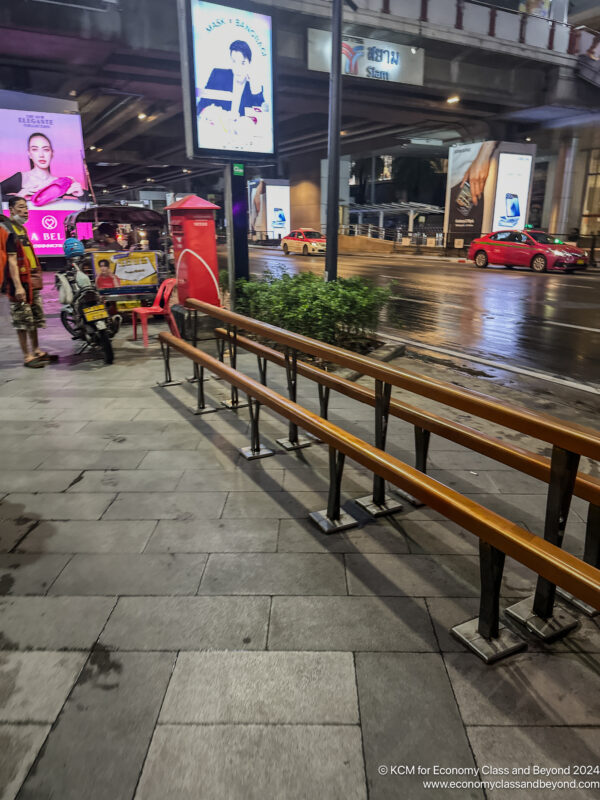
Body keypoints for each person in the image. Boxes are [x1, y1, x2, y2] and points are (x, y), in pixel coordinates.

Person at [0, 197, 54, 367]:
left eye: (26, 208)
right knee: (22, 320)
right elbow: (12, 260)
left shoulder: (21, 229)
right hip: (19, 282)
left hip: (32, 279)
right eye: (21, 207)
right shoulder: (8, 230)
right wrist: (17, 286)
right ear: (11, 209)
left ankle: (36, 349)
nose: (25, 211)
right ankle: (27, 356)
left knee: (34, 318)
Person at [0, 132, 84, 202]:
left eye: (46, 149)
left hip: (54, 220)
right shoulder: (21, 178)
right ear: (29, 154)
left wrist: (81, 195)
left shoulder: (60, 182)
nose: (41, 155)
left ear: (52, 153)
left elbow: (88, 203)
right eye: (35, 149)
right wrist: (17, 198)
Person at [198, 40, 265, 120]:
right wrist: (219, 115)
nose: (238, 69)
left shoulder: (255, 85)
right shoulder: (218, 76)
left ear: (249, 63)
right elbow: (200, 107)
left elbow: (260, 119)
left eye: (243, 63)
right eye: (234, 62)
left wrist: (256, 92)